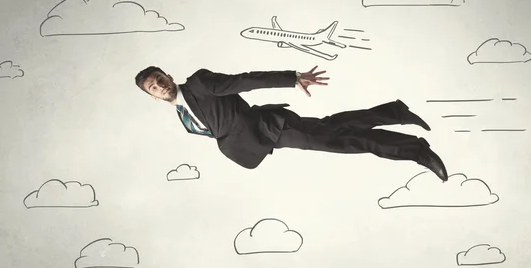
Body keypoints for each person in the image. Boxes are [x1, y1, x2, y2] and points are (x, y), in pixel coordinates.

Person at [134, 65, 449, 181]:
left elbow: (244, 81)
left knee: (337, 139)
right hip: (267, 140)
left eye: (159, 79)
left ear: (168, 75)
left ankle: (414, 149)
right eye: (153, 86)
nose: (160, 85)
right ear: (151, 95)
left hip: (272, 126)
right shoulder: (183, 117)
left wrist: (291, 78)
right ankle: (395, 114)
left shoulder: (199, 84)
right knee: (334, 131)